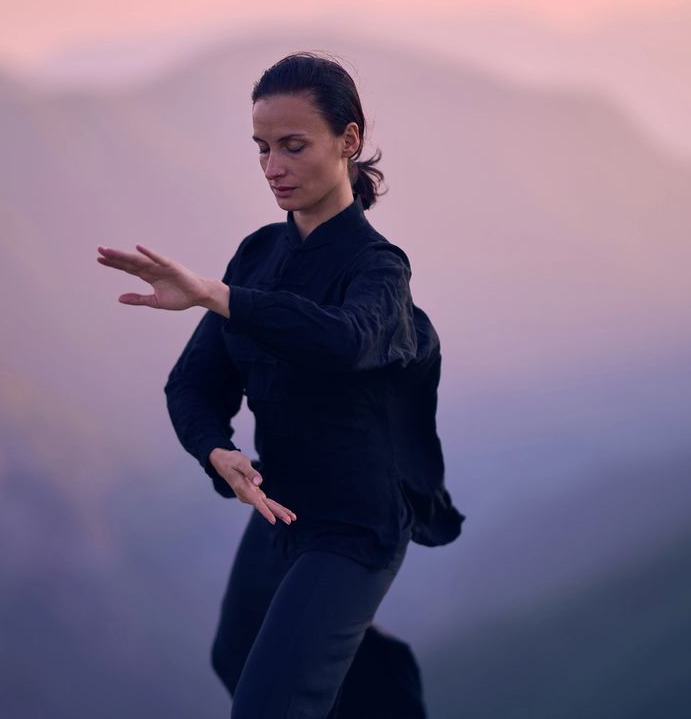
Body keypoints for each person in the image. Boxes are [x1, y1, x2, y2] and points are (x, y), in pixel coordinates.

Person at [96, 51, 465, 718]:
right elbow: (191, 387)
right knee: (233, 656)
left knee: (268, 706)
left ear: (348, 140)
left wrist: (217, 295)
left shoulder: (379, 268)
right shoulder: (257, 255)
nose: (272, 168)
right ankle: (379, 683)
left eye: (293, 146)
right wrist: (216, 451)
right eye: (262, 148)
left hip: (357, 523)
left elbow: (342, 340)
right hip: (281, 507)